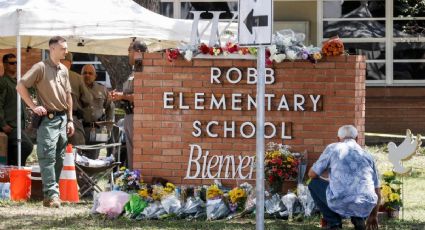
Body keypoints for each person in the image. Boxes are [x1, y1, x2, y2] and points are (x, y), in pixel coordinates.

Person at [16, 36, 74, 208]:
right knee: (47, 156)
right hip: (48, 119)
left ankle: (51, 195)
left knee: (59, 157)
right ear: (52, 49)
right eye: (63, 48)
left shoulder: (64, 69)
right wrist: (33, 106)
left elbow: (68, 95)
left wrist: (70, 119)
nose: (66, 51)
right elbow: (20, 85)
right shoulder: (40, 67)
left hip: (63, 118)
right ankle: (52, 194)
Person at [308, 125, 381, 230]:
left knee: (313, 183)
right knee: (355, 190)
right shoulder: (368, 155)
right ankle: (359, 218)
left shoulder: (333, 148)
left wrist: (324, 169)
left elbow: (312, 174)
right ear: (357, 139)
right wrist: (374, 215)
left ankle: (334, 224)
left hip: (340, 200)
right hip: (365, 203)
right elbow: (377, 190)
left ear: (338, 139)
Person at [110, 39, 147, 170]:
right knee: (131, 152)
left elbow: (143, 97)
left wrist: (122, 96)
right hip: (130, 115)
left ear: (137, 52)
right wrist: (119, 95)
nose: (128, 54)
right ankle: (133, 180)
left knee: (136, 153)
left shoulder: (144, 69)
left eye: (129, 51)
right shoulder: (135, 70)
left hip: (137, 116)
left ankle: (136, 181)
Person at [0, 53, 34, 166]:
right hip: (10, 126)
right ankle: (15, 169)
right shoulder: (3, 82)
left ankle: (13, 173)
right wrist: (3, 124)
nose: (15, 65)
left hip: (20, 126)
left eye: (16, 62)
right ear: (4, 65)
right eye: (11, 63)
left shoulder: (18, 82)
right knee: (26, 145)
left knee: (13, 152)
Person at [81, 64, 114, 159]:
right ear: (81, 75)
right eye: (85, 73)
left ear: (95, 76)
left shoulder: (102, 89)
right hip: (80, 129)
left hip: (96, 129)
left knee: (93, 158)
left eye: (90, 73)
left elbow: (110, 107)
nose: (87, 75)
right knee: (78, 158)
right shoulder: (75, 88)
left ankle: (90, 174)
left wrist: (108, 126)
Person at [60, 53, 92, 146]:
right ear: (70, 62)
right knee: (77, 150)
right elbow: (87, 99)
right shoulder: (77, 78)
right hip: (72, 119)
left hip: (53, 118)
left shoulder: (49, 75)